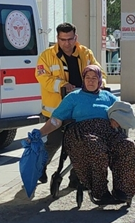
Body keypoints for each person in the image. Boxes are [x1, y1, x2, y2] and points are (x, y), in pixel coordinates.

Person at [38, 64, 135, 205]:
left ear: (99, 80)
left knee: (127, 145)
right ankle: (100, 192)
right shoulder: (73, 97)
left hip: (107, 133)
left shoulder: (108, 96)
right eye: (87, 78)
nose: (90, 81)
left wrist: (117, 119)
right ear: (83, 80)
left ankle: (123, 191)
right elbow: (56, 120)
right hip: (82, 133)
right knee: (95, 147)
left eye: (94, 78)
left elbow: (123, 112)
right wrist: (40, 133)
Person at [35, 22, 99, 182]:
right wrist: (62, 85)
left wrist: (100, 82)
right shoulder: (46, 56)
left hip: (80, 111)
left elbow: (99, 72)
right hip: (56, 111)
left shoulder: (85, 53)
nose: (67, 43)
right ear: (57, 38)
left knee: (79, 145)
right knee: (52, 144)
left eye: (70, 39)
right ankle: (38, 169)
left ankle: (76, 179)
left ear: (75, 37)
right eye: (63, 39)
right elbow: (42, 78)